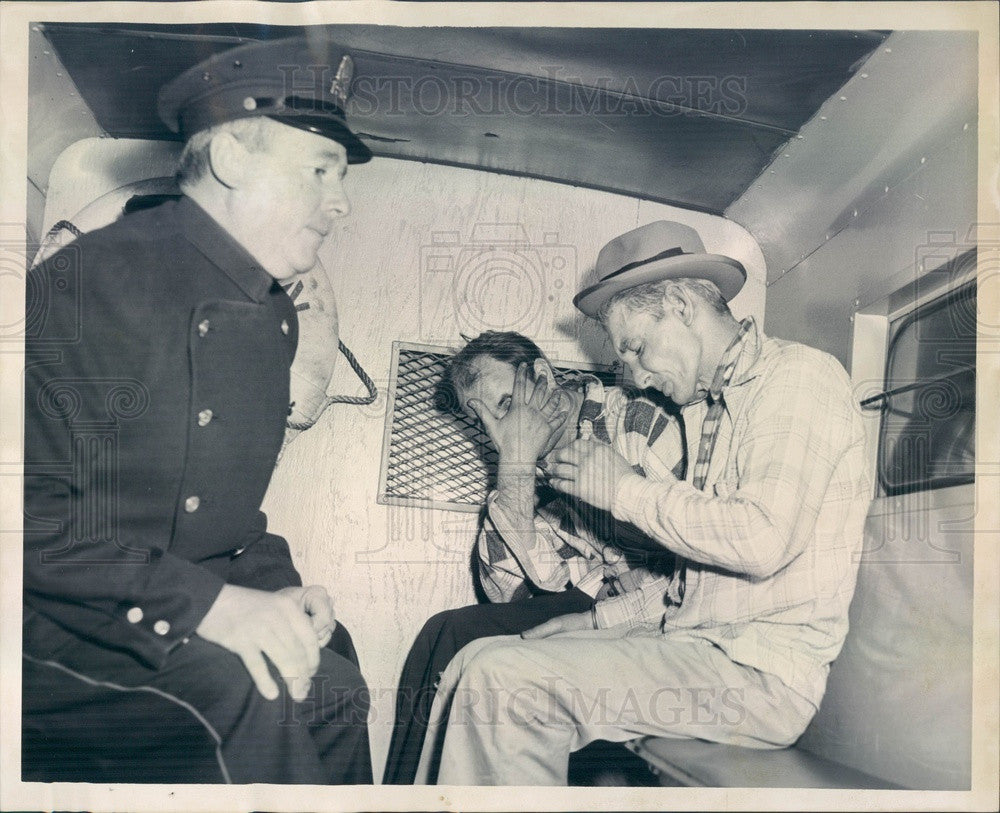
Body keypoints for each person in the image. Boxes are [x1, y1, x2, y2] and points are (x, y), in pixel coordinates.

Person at [23, 37, 375, 784]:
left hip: (151, 605)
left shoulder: (277, 318)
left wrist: (280, 589)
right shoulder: (87, 282)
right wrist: (213, 607)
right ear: (231, 158)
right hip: (47, 623)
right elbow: (26, 518)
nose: (341, 202)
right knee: (244, 691)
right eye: (320, 170)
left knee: (336, 684)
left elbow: (225, 520)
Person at [414, 220, 873, 785]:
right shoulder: (709, 412)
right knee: (471, 663)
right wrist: (594, 621)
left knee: (503, 685)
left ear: (679, 304)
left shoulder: (797, 378)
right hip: (696, 648)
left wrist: (624, 490)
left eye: (633, 345)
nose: (629, 370)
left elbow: (761, 539)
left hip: (758, 676)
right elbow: (687, 592)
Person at [382, 330, 683, 784]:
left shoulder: (638, 421)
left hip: (660, 610)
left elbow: (683, 554)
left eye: (505, 406)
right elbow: (510, 594)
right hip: (594, 607)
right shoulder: (524, 465)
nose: (502, 432)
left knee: (458, 632)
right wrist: (517, 466)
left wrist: (609, 605)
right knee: (444, 632)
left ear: (542, 376)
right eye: (485, 421)